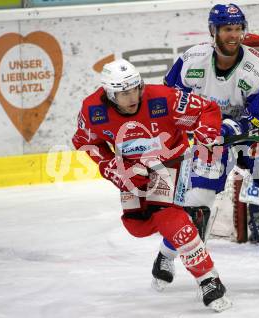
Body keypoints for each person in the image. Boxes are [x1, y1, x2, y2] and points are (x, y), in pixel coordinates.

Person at [152, 2, 259, 289]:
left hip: (247, 139)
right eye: (227, 29)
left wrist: (233, 127)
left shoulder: (258, 70)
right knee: (199, 202)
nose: (233, 35)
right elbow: (168, 101)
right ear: (213, 31)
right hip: (208, 141)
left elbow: (258, 119)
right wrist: (200, 127)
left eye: (237, 29)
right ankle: (165, 255)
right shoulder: (191, 61)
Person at [72, 58, 232, 312]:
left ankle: (208, 279)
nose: (132, 96)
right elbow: (86, 142)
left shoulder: (161, 98)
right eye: (124, 93)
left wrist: (206, 134)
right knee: (137, 225)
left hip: (170, 164)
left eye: (135, 88)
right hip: (132, 172)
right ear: (110, 94)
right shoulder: (93, 110)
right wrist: (111, 167)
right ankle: (174, 243)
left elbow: (207, 110)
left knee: (170, 217)